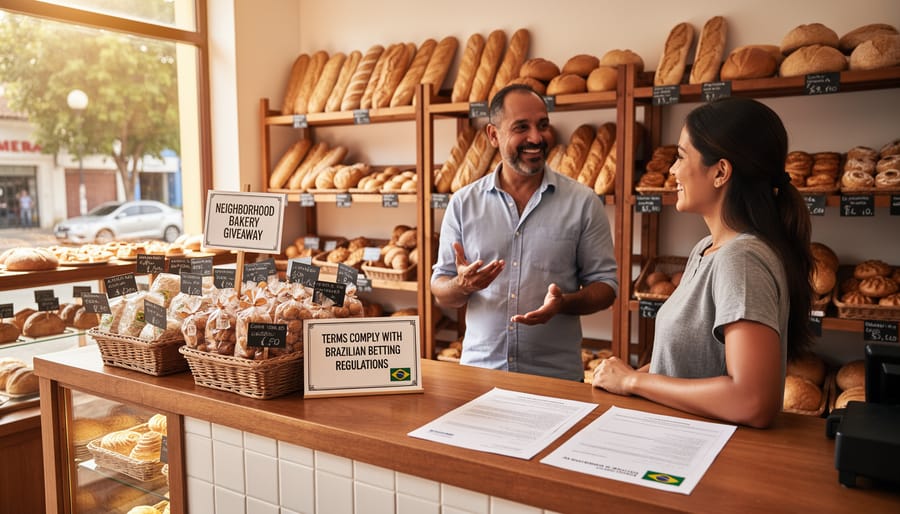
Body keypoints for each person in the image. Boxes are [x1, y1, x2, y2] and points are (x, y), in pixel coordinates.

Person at [592, 97, 814, 428]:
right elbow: (686, 365)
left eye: (681, 157)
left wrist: (632, 381)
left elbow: (753, 401)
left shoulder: (741, 260)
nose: (672, 170)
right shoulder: (706, 250)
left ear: (720, 172)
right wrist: (629, 380)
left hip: (714, 452)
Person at [431, 83, 618, 381]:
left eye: (542, 125)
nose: (536, 137)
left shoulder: (583, 203)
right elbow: (441, 288)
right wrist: (462, 285)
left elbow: (606, 287)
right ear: (493, 135)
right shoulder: (463, 203)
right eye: (521, 127)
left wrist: (564, 303)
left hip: (555, 379)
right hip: (480, 374)